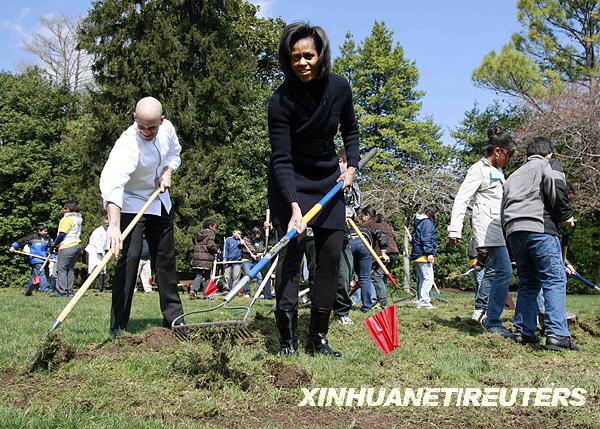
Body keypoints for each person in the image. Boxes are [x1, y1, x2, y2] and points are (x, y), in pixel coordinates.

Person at [268, 22, 360, 357]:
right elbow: (280, 159)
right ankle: (288, 338)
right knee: (291, 257)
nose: (303, 62)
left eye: (309, 55)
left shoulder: (339, 88)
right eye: (295, 57)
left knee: (331, 255)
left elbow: (351, 130)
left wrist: (351, 167)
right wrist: (293, 207)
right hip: (290, 181)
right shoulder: (280, 100)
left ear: (320, 55)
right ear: (287, 59)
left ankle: (318, 337)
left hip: (328, 181)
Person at [100, 96, 185, 338]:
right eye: (142, 127)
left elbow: (174, 155)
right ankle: (118, 327)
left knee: (165, 261)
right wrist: (114, 225)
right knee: (130, 259)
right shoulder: (127, 144)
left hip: (159, 201)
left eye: (152, 127)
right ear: (134, 119)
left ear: (162, 120)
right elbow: (113, 184)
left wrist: (168, 172)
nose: (147, 132)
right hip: (130, 203)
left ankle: (175, 322)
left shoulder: (167, 130)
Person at [501, 137, 579, 351]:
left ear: (527, 155)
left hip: (514, 232)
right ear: (550, 153)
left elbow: (503, 207)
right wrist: (566, 216)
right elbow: (556, 186)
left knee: (528, 283)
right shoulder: (549, 164)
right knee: (555, 279)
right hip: (540, 228)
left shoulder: (512, 176)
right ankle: (557, 335)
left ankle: (524, 332)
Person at [448, 128, 515, 337]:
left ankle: (485, 312)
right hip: (487, 227)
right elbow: (462, 199)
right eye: (508, 155)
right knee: (504, 271)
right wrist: (454, 228)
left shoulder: (498, 171)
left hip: (500, 226)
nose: (509, 160)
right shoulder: (477, 169)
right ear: (497, 151)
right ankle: (493, 321)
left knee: (496, 271)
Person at [334, 148, 361, 325]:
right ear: (341, 161)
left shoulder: (354, 184)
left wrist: (349, 213)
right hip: (316, 233)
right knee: (318, 273)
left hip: (343, 234)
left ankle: (342, 311)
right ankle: (319, 310)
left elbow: (356, 207)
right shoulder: (326, 178)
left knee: (345, 272)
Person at [359, 205, 399, 309]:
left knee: (376, 276)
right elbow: (394, 236)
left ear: (367, 215)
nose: (361, 219)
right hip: (394, 251)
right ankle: (380, 301)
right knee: (382, 277)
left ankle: (383, 303)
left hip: (383, 253)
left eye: (362, 216)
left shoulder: (367, 225)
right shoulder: (384, 223)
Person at [9, 224, 53, 294]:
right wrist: (13, 247)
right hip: (36, 259)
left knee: (35, 274)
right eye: (44, 231)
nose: (46, 233)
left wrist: (52, 257)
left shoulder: (48, 238)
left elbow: (51, 249)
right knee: (41, 273)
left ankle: (28, 289)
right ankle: (44, 289)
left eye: (46, 231)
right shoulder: (32, 237)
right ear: (39, 231)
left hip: (45, 259)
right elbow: (21, 241)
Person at [51, 201, 83, 298]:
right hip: (76, 244)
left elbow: (62, 233)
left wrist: (55, 244)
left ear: (70, 209)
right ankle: (69, 291)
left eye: (65, 208)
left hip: (67, 245)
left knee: (62, 269)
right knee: (70, 269)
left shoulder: (67, 219)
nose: (63, 210)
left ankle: (62, 291)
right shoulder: (78, 218)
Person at [410, 205, 439, 309]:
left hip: (417, 254)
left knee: (422, 279)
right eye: (437, 214)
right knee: (428, 278)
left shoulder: (419, 222)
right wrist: (429, 253)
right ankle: (424, 300)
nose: (437, 216)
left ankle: (422, 299)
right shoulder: (427, 223)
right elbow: (426, 239)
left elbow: (415, 238)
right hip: (423, 255)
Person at [189, 219, 219, 299]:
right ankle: (207, 294)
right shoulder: (211, 234)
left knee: (198, 275)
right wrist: (217, 249)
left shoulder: (200, 234)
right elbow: (210, 245)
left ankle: (193, 290)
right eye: (215, 227)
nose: (216, 229)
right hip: (206, 259)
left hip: (197, 258)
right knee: (207, 277)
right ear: (210, 226)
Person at [240, 227, 268, 298]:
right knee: (247, 276)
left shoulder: (259, 242)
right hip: (246, 261)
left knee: (259, 277)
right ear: (254, 233)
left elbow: (261, 249)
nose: (258, 236)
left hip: (255, 261)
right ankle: (247, 293)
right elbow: (245, 247)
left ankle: (259, 292)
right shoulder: (246, 239)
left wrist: (258, 253)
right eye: (257, 234)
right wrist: (241, 244)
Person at [85, 217, 109, 292]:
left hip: (102, 251)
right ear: (103, 224)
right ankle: (86, 287)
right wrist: (102, 254)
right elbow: (97, 244)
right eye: (106, 224)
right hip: (93, 251)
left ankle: (101, 287)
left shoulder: (108, 231)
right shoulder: (98, 231)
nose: (107, 226)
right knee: (92, 269)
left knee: (102, 270)